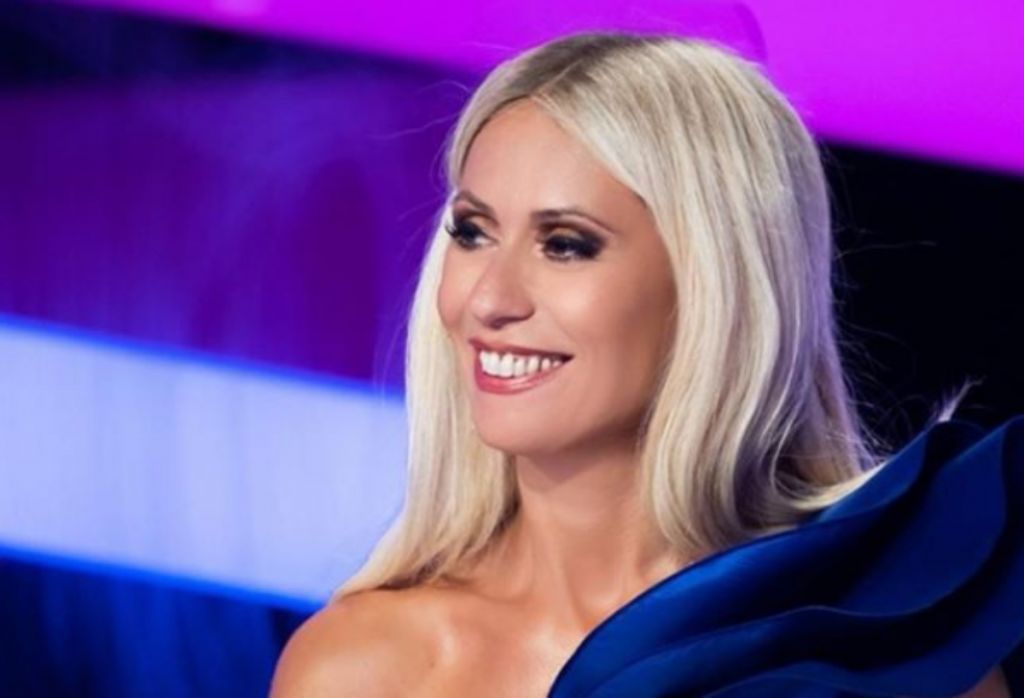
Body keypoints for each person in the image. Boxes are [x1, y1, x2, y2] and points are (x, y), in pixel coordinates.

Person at [269, 31, 1022, 697]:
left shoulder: (879, 648)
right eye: (472, 232)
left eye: (565, 245)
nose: (488, 299)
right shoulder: (362, 669)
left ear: (714, 283)